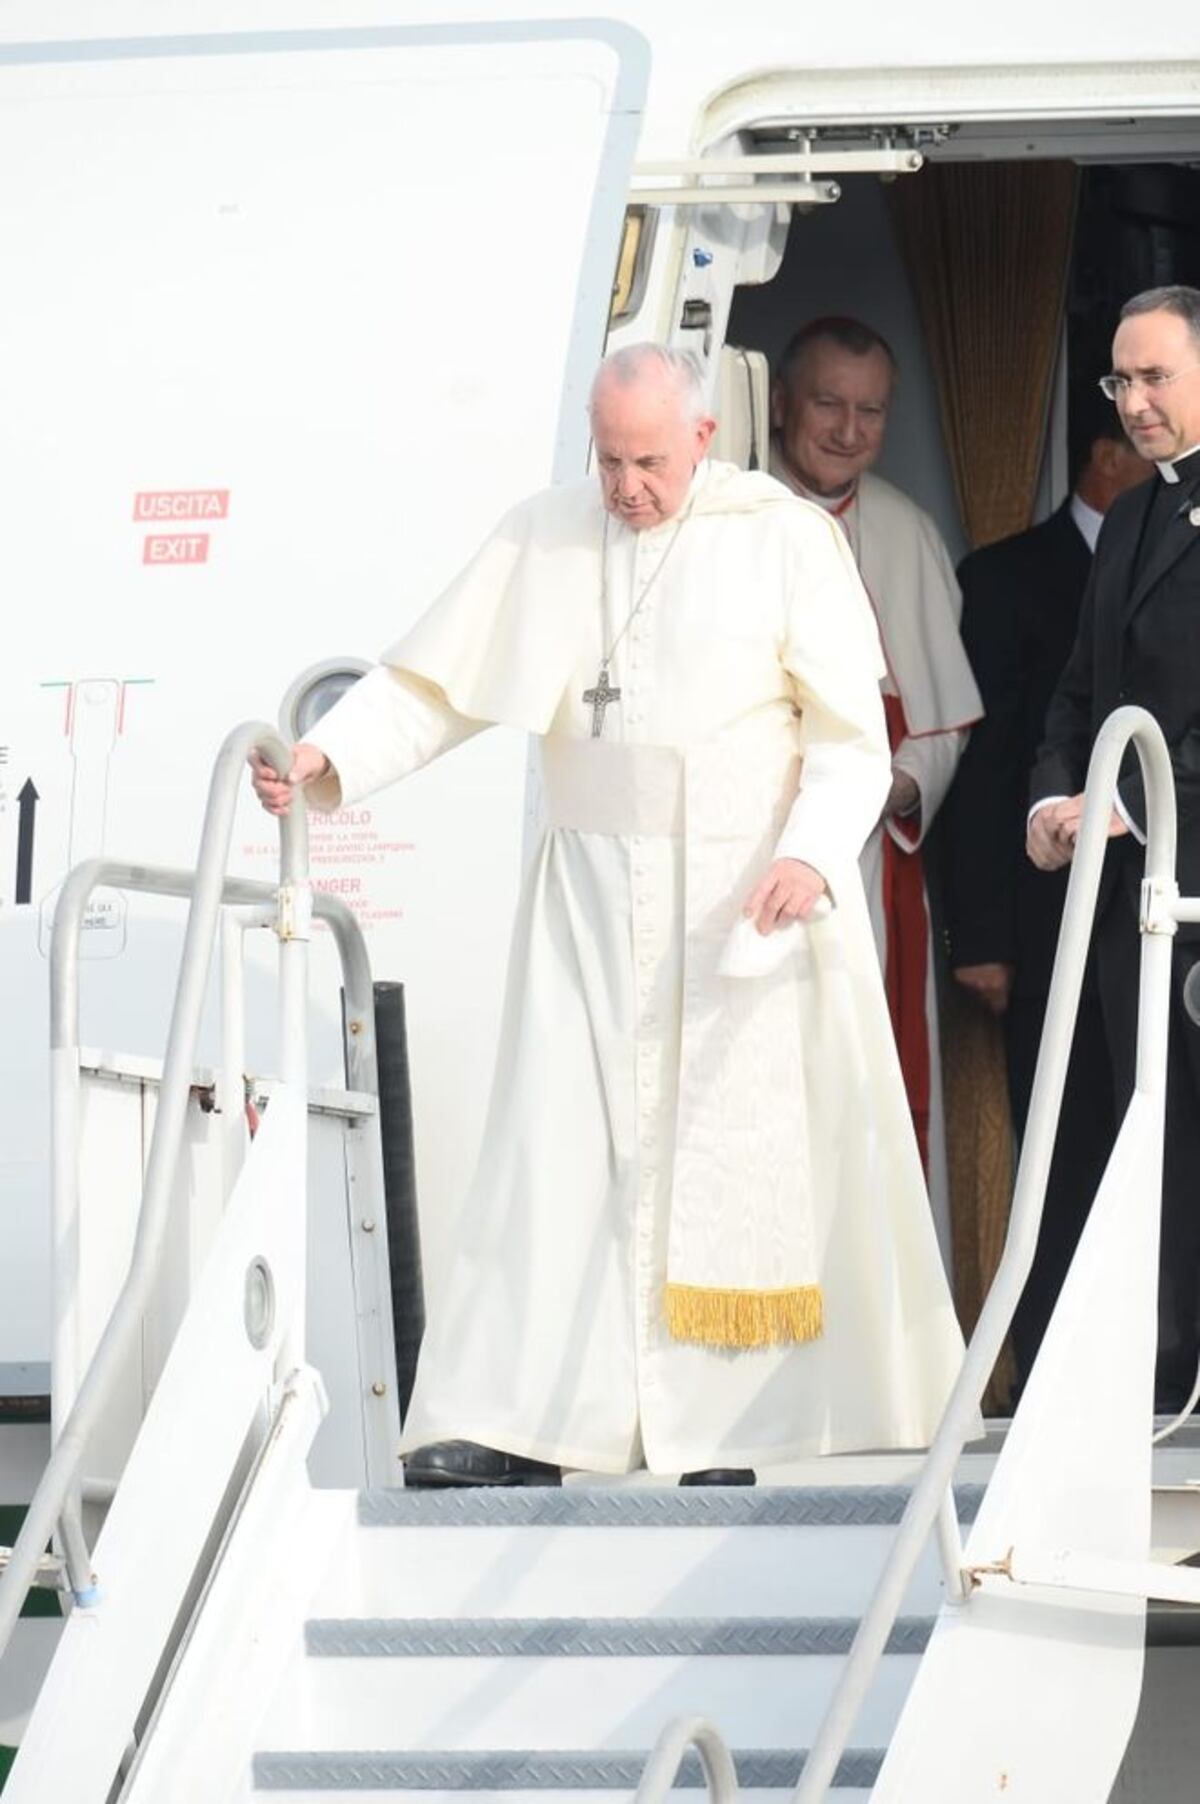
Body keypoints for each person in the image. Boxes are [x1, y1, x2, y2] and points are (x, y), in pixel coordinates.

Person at [252, 343, 966, 1486]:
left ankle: (736, 1430)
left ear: (702, 439)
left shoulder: (783, 538)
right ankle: (527, 1427)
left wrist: (810, 857)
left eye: (647, 462)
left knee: (727, 1179)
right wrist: (328, 754)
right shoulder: (548, 530)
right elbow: (434, 686)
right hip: (587, 905)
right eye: (609, 459)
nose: (626, 487)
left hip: (740, 908)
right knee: (555, 1162)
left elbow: (849, 737)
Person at [944, 388, 1150, 1385]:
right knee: (1059, 1158)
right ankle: (1057, 1375)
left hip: (1150, 923)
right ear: (1106, 454)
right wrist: (979, 931)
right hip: (1039, 923)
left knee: (1147, 1148)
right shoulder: (1003, 576)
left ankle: (1150, 1366)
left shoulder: (1172, 557)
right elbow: (980, 771)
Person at [769, 317, 981, 1265]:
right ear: (781, 403)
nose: (849, 430)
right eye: (828, 404)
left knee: (878, 1091)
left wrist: (888, 788)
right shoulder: (726, 514)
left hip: (864, 877)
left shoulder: (902, 530)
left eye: (870, 411)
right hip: (739, 864)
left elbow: (941, 725)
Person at [1029, 285, 1200, 1414]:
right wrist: (1052, 797)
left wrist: (1145, 801)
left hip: (1184, 875)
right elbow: (1082, 690)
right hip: (1130, 894)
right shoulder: (1135, 513)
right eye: (1118, 382)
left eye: (1154, 378)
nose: (1132, 403)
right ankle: (1166, 1367)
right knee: (1150, 1138)